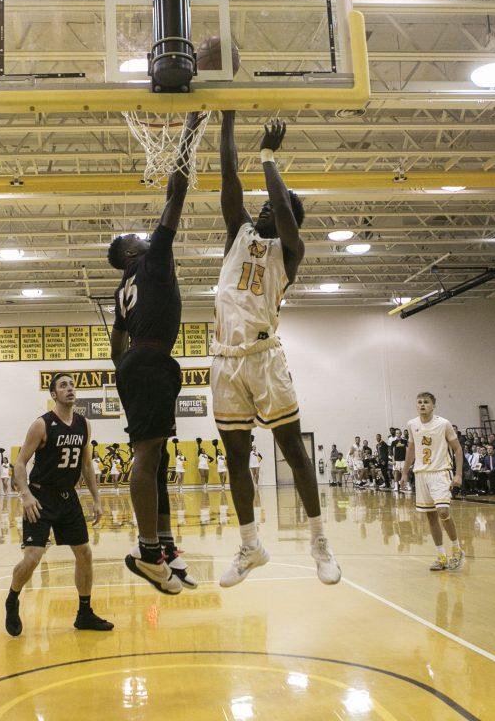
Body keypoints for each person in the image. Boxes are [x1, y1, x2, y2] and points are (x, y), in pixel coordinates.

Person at [212, 113, 340, 588]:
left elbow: (283, 212)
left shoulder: (290, 251)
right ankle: (250, 545)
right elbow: (228, 178)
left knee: (292, 450)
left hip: (265, 358)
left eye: (276, 206)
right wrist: (225, 117)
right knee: (236, 456)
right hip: (225, 359)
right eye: (263, 206)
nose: (266, 209)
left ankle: (319, 541)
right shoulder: (239, 235)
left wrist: (268, 156)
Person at [108, 113, 204, 594]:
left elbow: (114, 343)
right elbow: (176, 194)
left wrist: (126, 369)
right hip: (149, 361)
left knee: (158, 455)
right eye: (135, 238)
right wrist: (190, 130)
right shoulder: (151, 260)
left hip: (140, 362)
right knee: (147, 456)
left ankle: (164, 547)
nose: (143, 235)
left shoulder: (125, 287)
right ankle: (147, 552)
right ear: (130, 252)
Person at [5, 373, 113, 636]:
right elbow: (20, 464)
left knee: (85, 553)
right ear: (53, 394)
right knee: (32, 558)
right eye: (63, 386)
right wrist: (26, 495)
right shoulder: (41, 425)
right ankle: (12, 599)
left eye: (71, 385)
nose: (69, 389)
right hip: (41, 498)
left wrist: (97, 500)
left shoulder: (84, 425)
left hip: (68, 497)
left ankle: (84, 613)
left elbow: (86, 465)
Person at [402, 392, 465, 571]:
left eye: (426, 402)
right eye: (419, 402)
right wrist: (405, 473)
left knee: (443, 511)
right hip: (421, 474)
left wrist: (458, 474)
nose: (422, 405)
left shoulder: (444, 424)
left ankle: (457, 549)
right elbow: (411, 449)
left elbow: (458, 450)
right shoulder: (412, 424)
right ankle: (441, 556)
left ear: (433, 405)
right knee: (431, 516)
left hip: (440, 472)